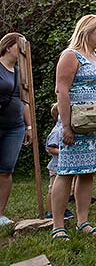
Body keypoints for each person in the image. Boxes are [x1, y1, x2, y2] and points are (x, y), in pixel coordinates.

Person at [50, 15, 96, 240]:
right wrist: (65, 127)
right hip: (74, 125)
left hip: (95, 125)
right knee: (65, 173)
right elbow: (62, 91)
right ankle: (58, 226)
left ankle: (82, 221)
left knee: (87, 174)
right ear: (87, 30)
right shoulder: (70, 55)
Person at [0, 33, 34, 228]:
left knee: (6, 170)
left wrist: (28, 126)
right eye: (19, 44)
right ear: (7, 47)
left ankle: (0, 214)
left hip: (15, 126)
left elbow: (25, 101)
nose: (23, 48)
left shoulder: (21, 71)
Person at [44, 104, 73, 220]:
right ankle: (50, 211)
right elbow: (51, 148)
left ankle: (61, 208)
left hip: (64, 165)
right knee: (53, 189)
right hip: (56, 166)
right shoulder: (57, 131)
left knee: (65, 189)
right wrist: (63, 152)